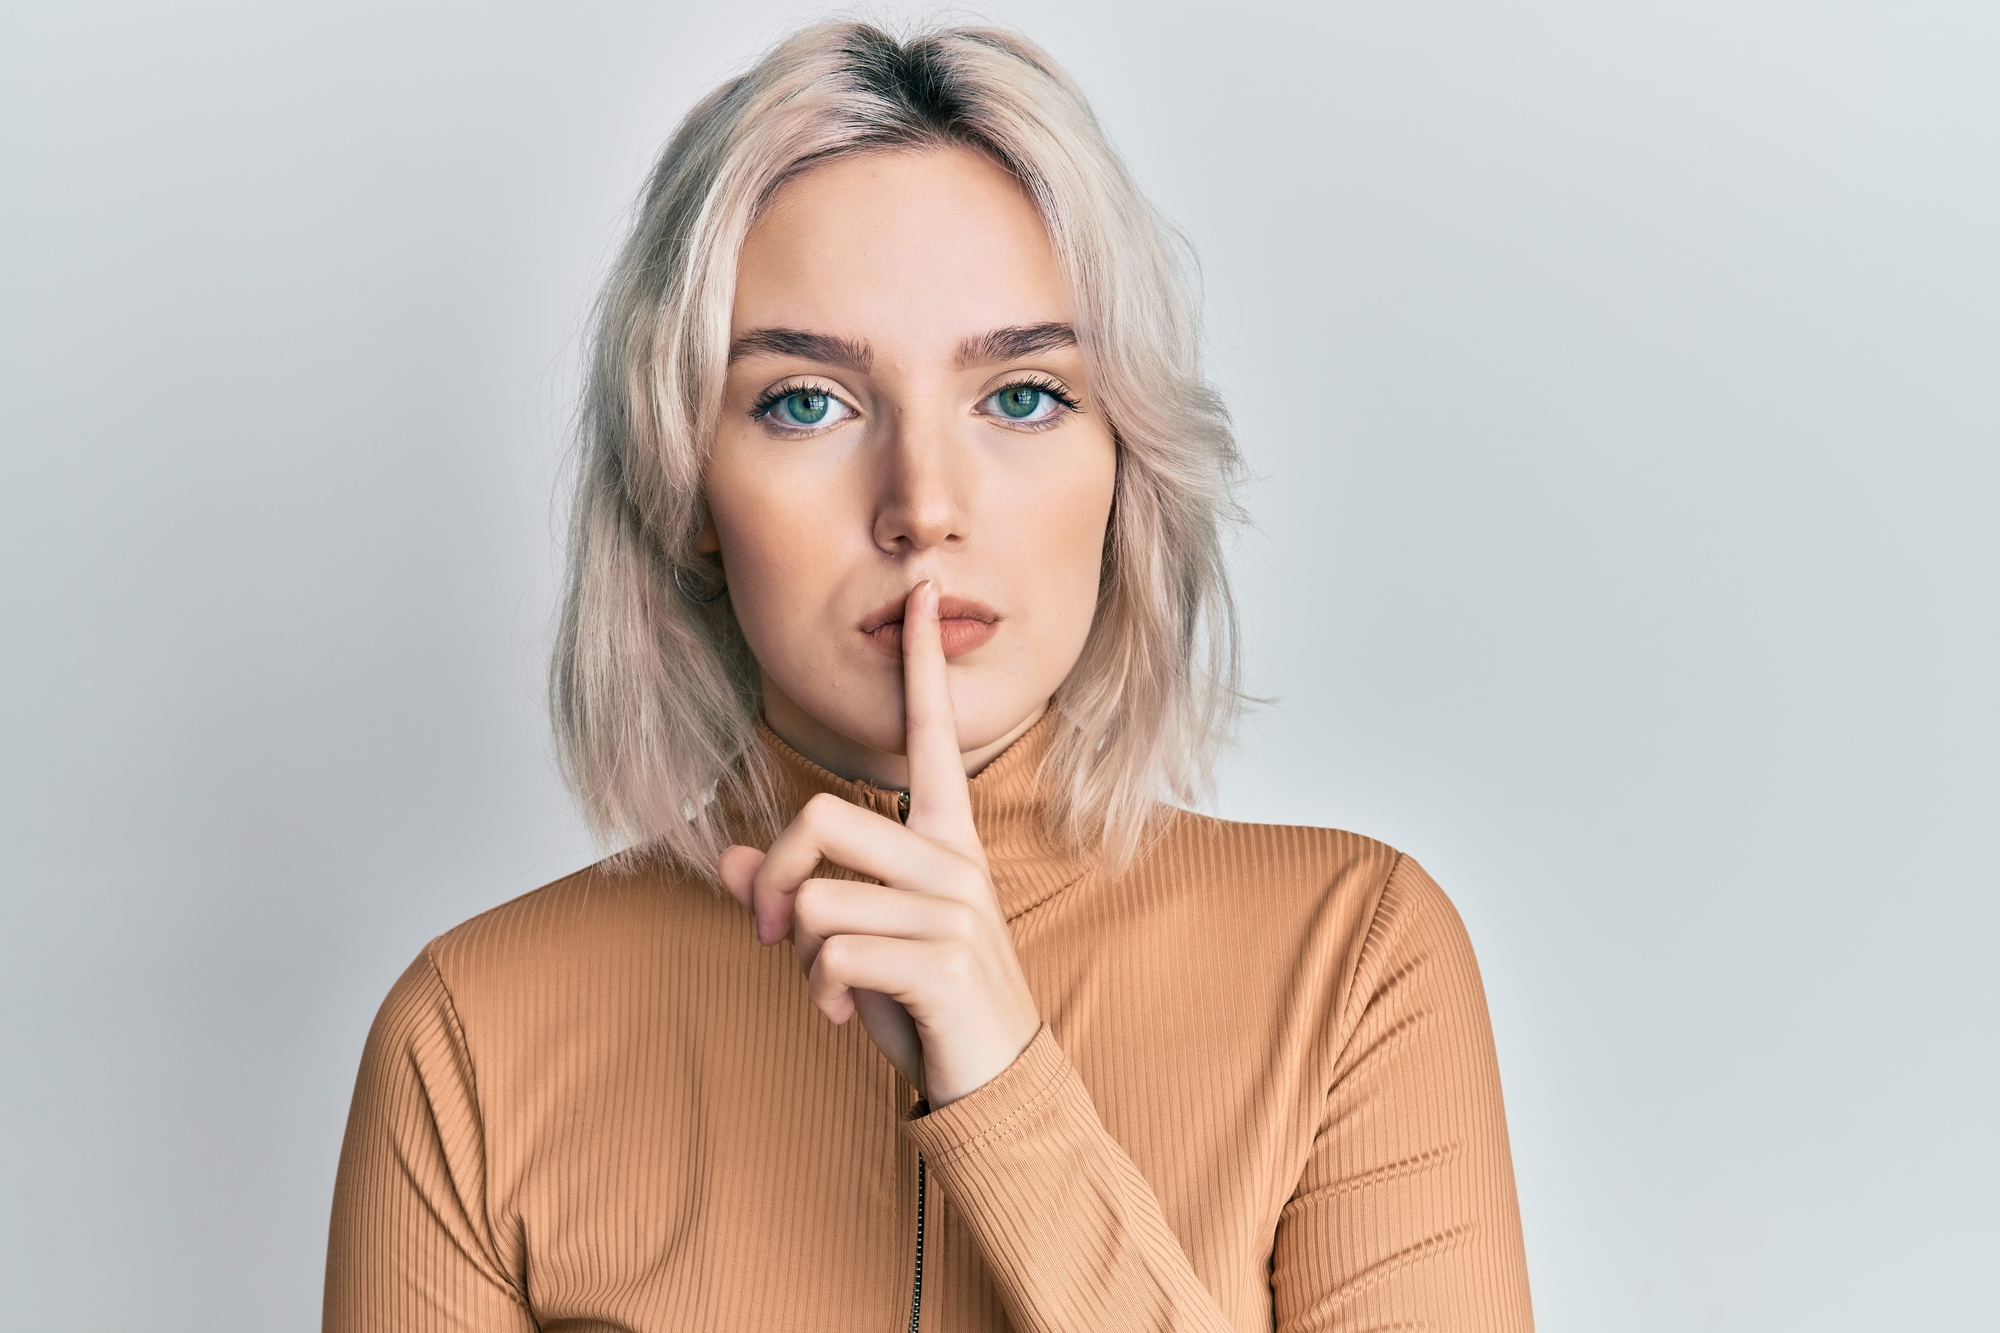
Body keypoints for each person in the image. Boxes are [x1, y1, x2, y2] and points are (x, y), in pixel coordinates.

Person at [325, 21, 1534, 1332]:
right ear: (688, 490)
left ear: (1127, 459)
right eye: (806, 401)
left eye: (1021, 395)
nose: (923, 505)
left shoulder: (1352, 960)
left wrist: (1008, 1089)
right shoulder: (472, 1037)